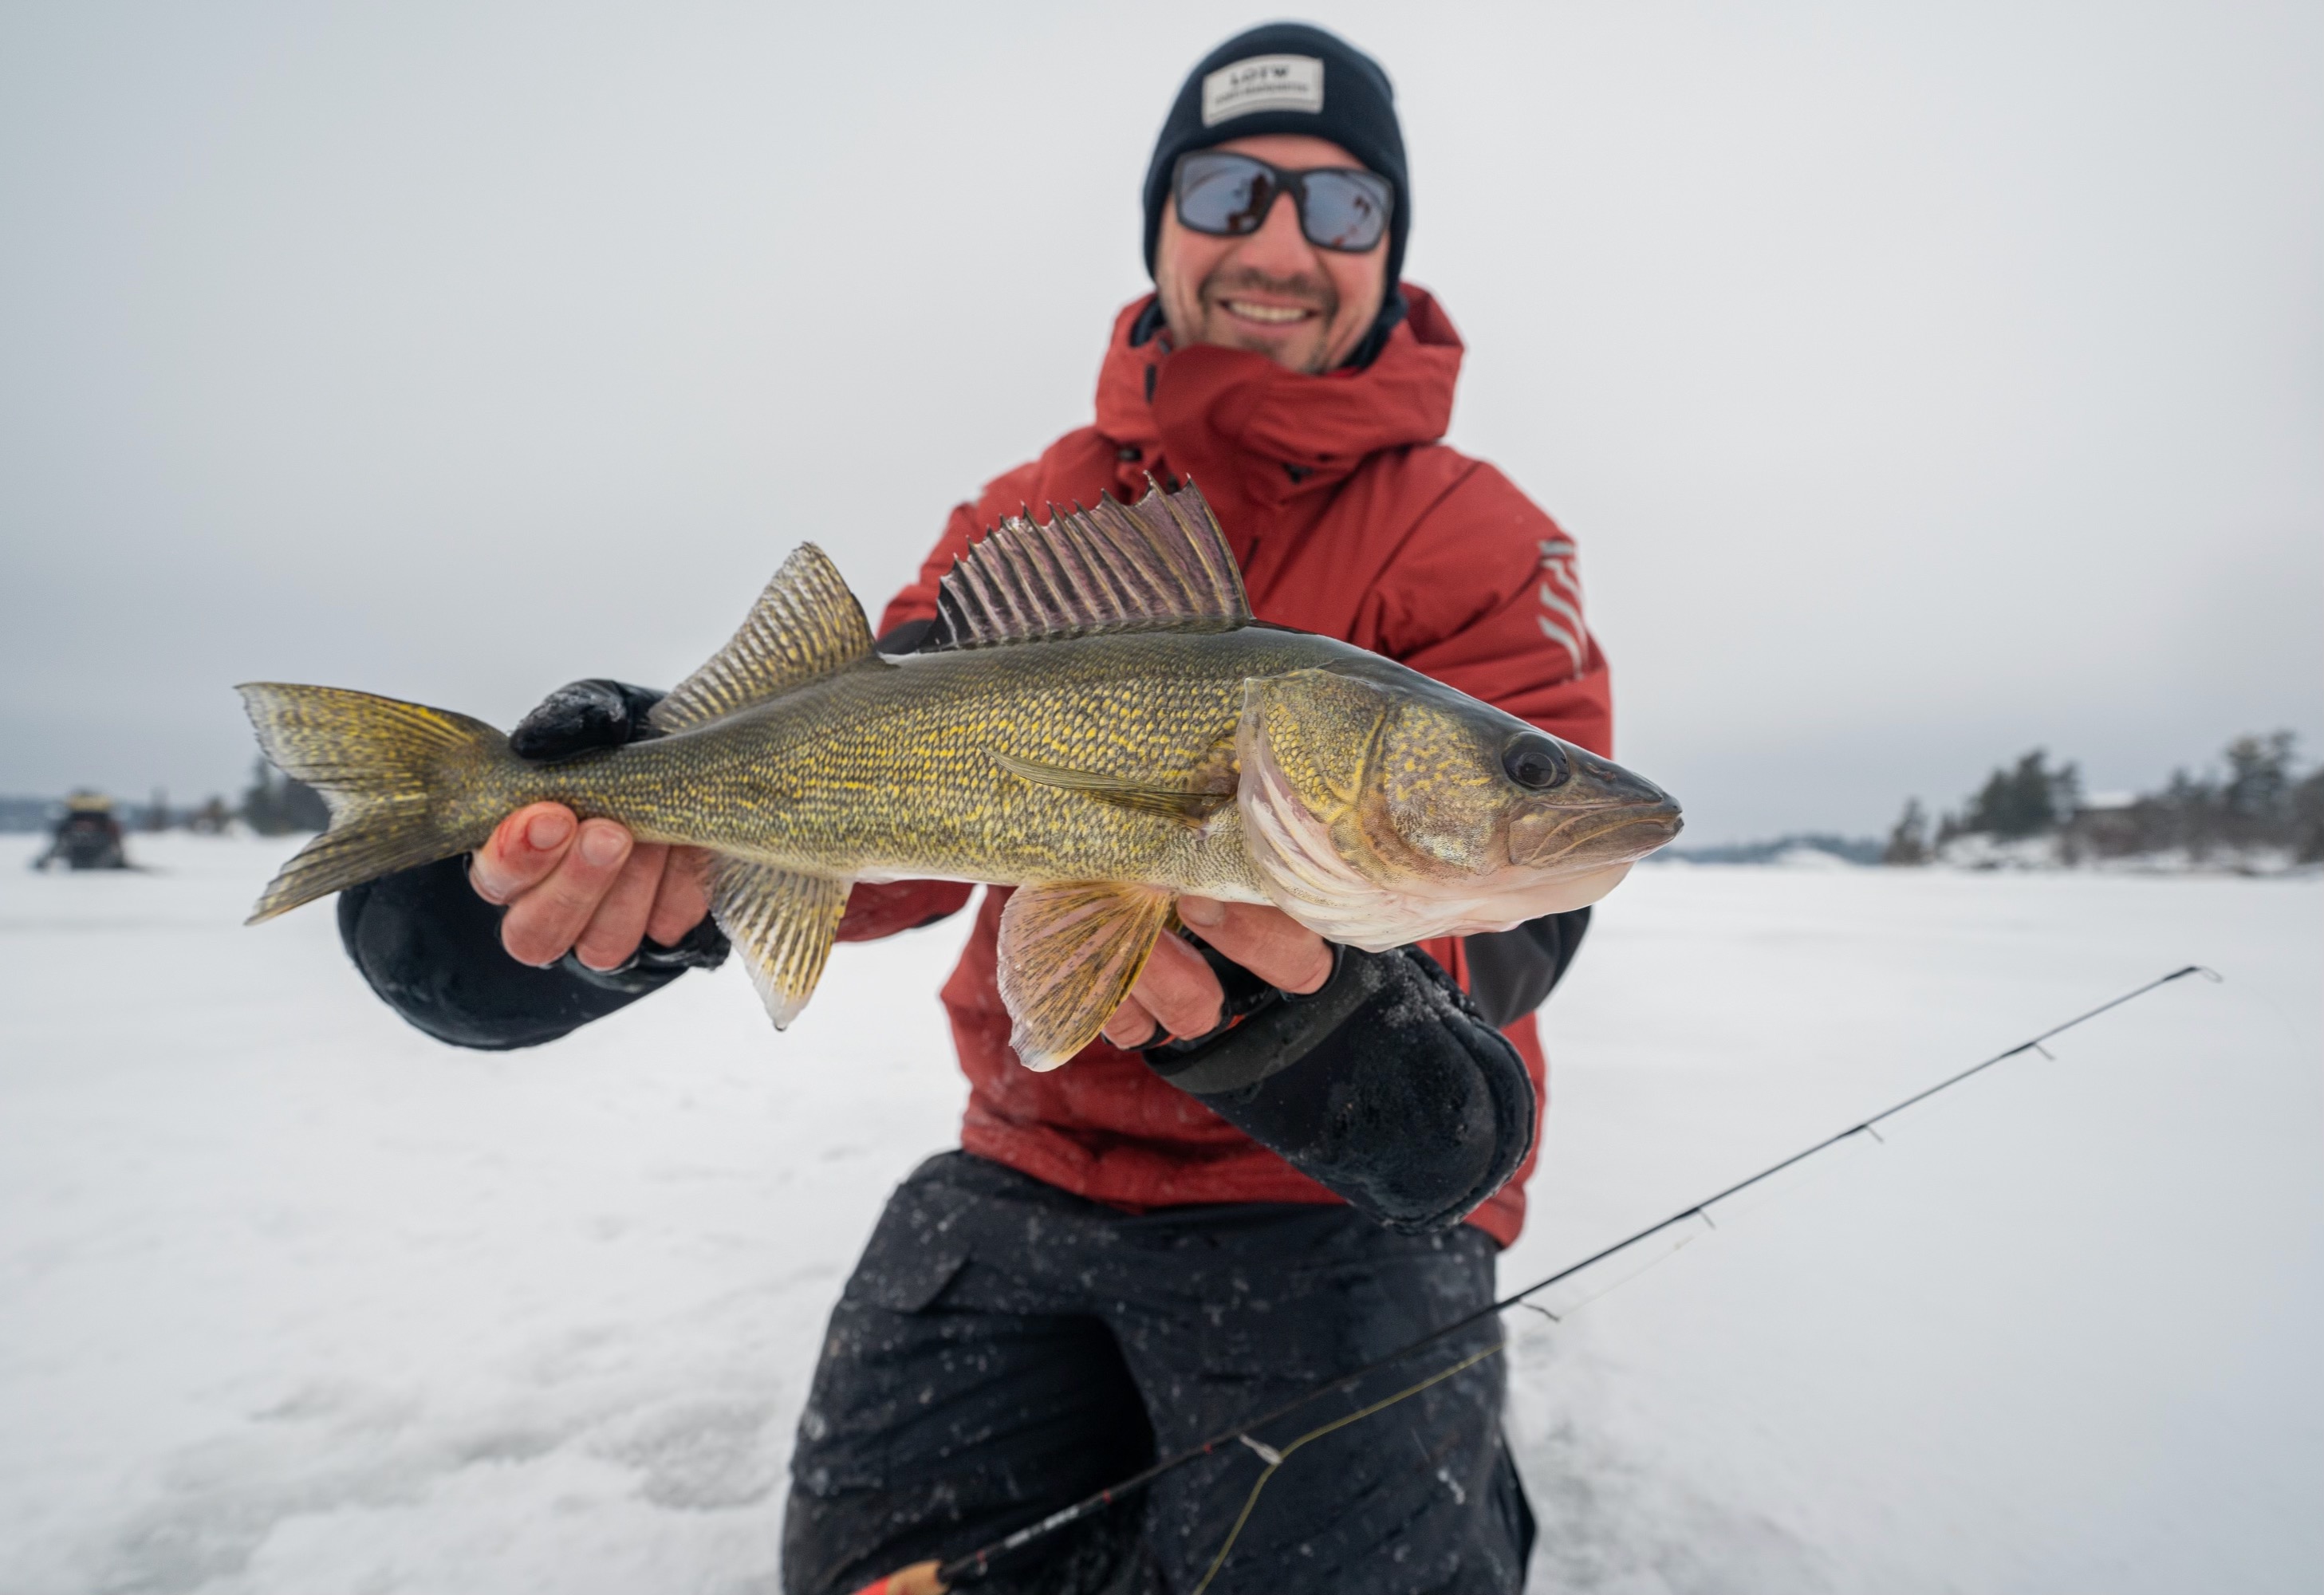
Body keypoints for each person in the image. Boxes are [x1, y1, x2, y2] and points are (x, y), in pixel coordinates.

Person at [337, 24, 1614, 1593]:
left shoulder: (1480, 539)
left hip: (1328, 1211)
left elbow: (1518, 918)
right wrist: (635, 875)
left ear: (1387, 250)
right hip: (1026, 1162)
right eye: (1227, 192)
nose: (1278, 242)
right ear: (1158, 222)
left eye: (1340, 209)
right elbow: (892, 802)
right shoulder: (1031, 510)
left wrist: (1353, 1053)